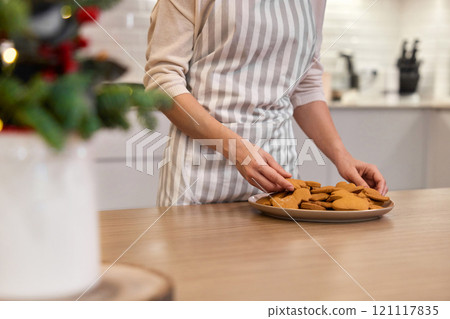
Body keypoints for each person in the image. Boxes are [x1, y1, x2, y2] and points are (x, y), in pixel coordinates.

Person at [144, 0, 388, 207]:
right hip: (199, 178)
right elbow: (162, 79)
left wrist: (342, 156)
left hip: (280, 182)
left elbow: (304, 82)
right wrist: (238, 149)